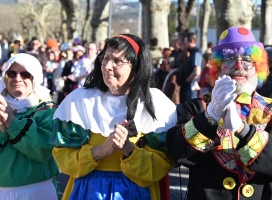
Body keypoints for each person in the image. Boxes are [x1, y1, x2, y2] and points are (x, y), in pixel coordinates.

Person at [49, 34, 177, 200]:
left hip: (137, 193)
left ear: (136, 68)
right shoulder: (80, 100)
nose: (107, 66)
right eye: (105, 58)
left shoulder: (155, 104)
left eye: (117, 61)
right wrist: (101, 150)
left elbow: (161, 165)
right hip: (87, 192)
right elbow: (63, 159)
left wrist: (129, 150)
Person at [166, 26, 272, 200]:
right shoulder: (196, 108)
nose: (239, 66)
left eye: (247, 60)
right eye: (230, 59)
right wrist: (210, 117)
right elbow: (177, 153)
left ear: (257, 67)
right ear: (218, 67)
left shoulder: (270, 110)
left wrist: (241, 129)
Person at [0, 53, 59, 199]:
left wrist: (12, 123)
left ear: (35, 78)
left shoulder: (48, 110)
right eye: (12, 73)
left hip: (35, 193)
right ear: (5, 77)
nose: (18, 78)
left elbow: (42, 150)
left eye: (25, 74)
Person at [180, 32, 202, 102]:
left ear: (192, 41)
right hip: (189, 88)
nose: (185, 44)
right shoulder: (192, 53)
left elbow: (197, 72)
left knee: (189, 111)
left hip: (191, 89)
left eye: (186, 42)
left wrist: (186, 81)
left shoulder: (196, 53)